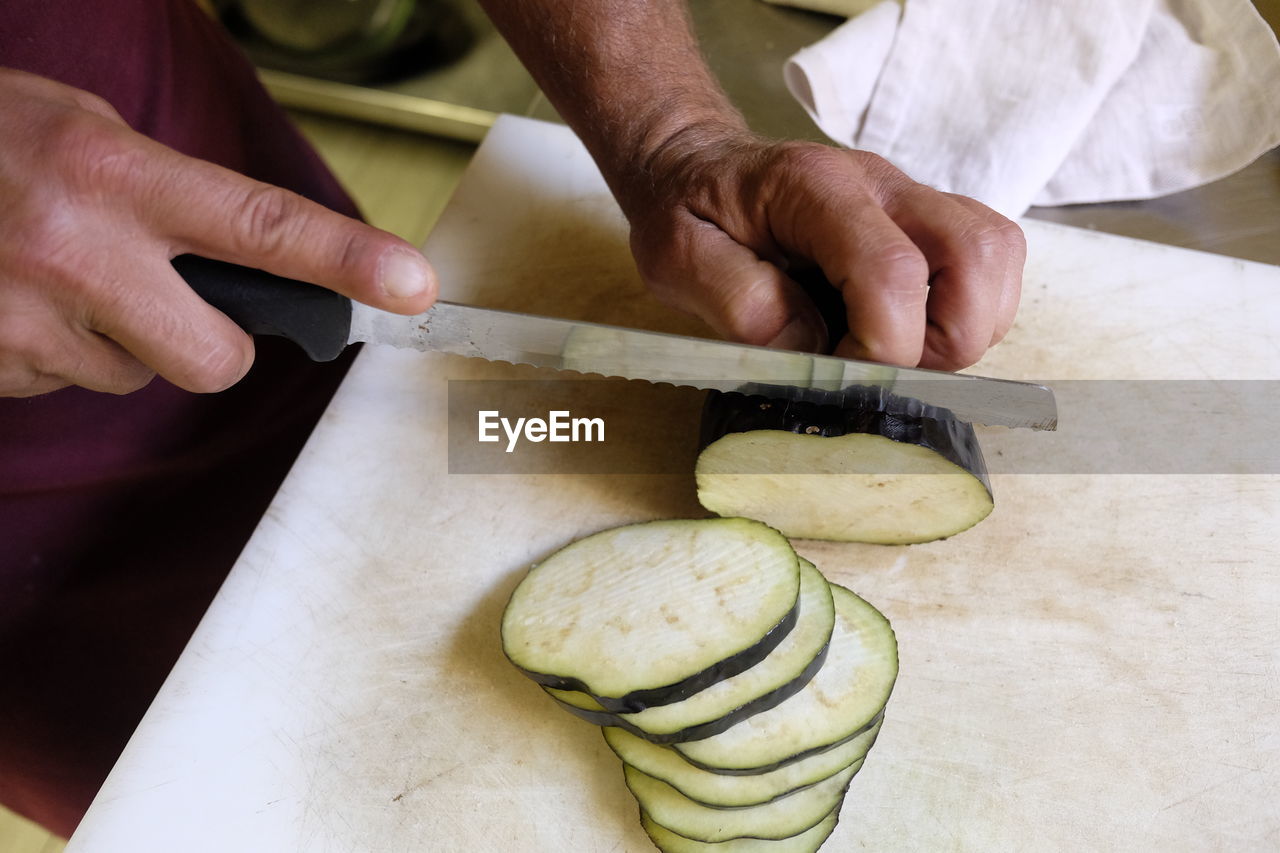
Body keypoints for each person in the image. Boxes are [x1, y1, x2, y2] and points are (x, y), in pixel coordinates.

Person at [0, 0, 1024, 838]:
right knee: (238, 785)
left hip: (148, 134)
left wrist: (673, 131)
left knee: (392, 403)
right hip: (34, 563)